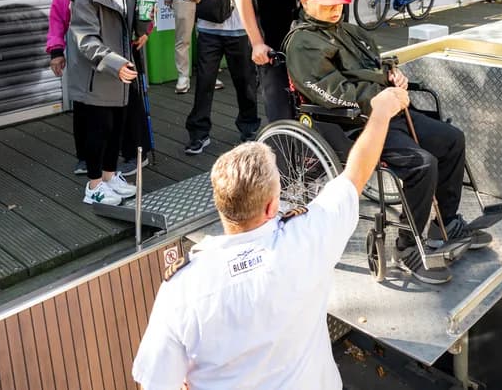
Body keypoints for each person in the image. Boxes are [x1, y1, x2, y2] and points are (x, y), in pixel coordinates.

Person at [132, 86, 410, 390]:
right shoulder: (307, 237)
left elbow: (155, 383)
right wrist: (381, 110)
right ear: (271, 206)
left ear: (220, 203)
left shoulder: (181, 290)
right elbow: (355, 175)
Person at [286, 0, 492, 284]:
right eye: (325, 3)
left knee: (452, 139)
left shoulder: (348, 30)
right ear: (305, 0)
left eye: (338, 1)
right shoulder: (302, 43)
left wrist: (394, 76)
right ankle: (407, 248)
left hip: (388, 110)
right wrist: (379, 97)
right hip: (351, 123)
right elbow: (329, 91)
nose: (334, 8)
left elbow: (377, 65)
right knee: (422, 164)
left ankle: (446, 222)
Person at [47, 0, 152, 177]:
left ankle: (115, 169)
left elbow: (136, 18)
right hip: (97, 66)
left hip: (123, 60)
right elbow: (63, 21)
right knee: (96, 123)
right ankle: (93, 176)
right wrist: (56, 50)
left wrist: (146, 24)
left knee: (119, 120)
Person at [67, 0, 145, 206]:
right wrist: (115, 63)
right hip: (97, 74)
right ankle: (94, 186)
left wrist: (143, 28)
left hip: (121, 71)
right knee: (98, 131)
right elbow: (85, 40)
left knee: (116, 129)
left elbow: (128, 23)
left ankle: (110, 178)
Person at [177, 0, 260, 153]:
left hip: (240, 28)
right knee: (203, 83)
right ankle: (199, 133)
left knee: (245, 83)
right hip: (209, 28)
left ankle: (249, 129)